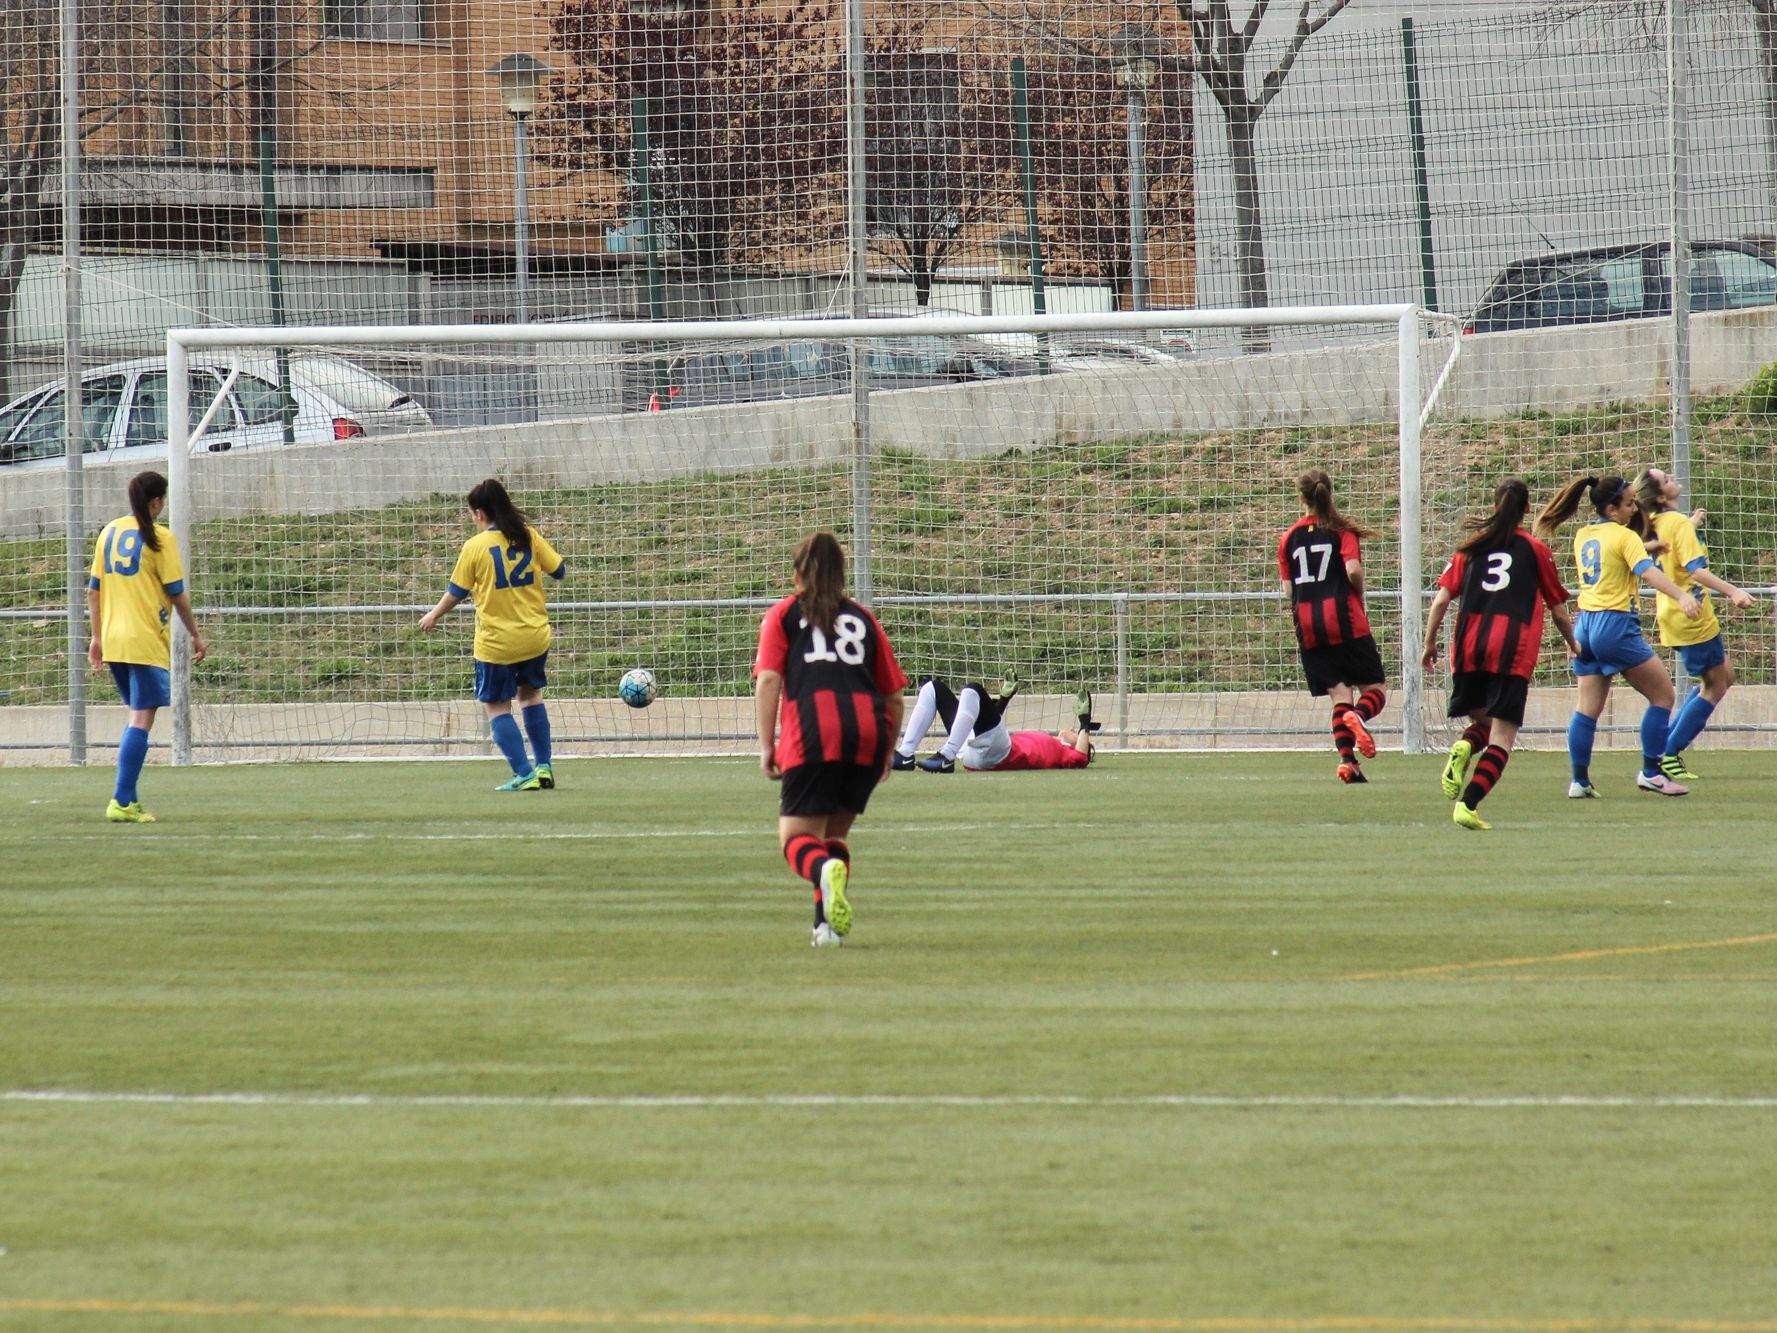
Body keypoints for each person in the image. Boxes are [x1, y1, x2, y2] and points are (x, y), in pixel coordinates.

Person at [754, 532, 907, 948]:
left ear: (797, 573)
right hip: (868, 735)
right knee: (833, 838)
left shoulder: (783, 615)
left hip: (815, 733)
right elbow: (893, 696)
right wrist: (887, 750)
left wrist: (767, 744)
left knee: (796, 840)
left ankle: (822, 873)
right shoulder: (863, 617)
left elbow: (769, 679)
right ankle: (826, 929)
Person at [1420, 478, 1578, 830]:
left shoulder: (1471, 548)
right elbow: (1558, 610)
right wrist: (1574, 645)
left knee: (1483, 725)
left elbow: (1441, 600)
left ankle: (1464, 747)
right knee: (1502, 739)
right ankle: (1468, 805)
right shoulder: (1535, 549)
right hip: (1511, 650)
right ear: (1525, 510)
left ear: (1494, 507)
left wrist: (1430, 643)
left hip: (1468, 648)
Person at [1535, 473, 1701, 797]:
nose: (1632, 508)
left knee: (1586, 708)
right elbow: (1648, 572)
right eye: (1627, 504)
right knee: (1663, 696)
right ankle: (1652, 773)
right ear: (1612, 509)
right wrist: (1681, 596)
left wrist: (1648, 545)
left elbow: (1613, 559)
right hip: (1615, 624)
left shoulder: (1584, 534)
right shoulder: (1625, 536)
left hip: (1585, 625)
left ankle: (1579, 781)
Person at [419, 479, 565, 791]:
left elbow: (456, 592)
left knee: (497, 706)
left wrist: (433, 614)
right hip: (535, 636)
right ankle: (544, 767)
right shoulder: (528, 536)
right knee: (531, 696)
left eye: (472, 513)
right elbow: (560, 570)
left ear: (481, 513)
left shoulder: (475, 547)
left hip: (497, 643)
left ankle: (524, 773)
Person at [87, 470, 208, 823]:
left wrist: (96, 637)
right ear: (156, 502)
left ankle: (131, 800)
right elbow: (177, 594)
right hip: (144, 640)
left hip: (113, 639)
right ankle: (121, 801)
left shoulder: (109, 531)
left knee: (135, 716)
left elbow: (93, 591)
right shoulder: (160, 537)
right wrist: (196, 634)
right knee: (142, 718)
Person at [1630, 467, 1757, 783]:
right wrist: (1733, 591)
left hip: (1674, 615)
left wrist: (1691, 523)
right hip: (1692, 615)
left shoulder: (1658, 523)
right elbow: (1695, 570)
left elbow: (1672, 545)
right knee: (1716, 684)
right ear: (1661, 496)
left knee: (1722, 677)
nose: (1675, 479)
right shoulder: (1673, 523)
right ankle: (1669, 753)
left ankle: (1667, 747)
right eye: (1667, 480)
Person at [1278, 469, 1387, 783]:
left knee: (1339, 694)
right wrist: (1359, 591)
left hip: (1309, 627)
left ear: (1302, 498)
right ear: (1330, 494)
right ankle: (1359, 716)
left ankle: (1348, 763)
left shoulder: (1288, 538)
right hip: (1345, 621)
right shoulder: (1341, 531)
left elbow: (1288, 591)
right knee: (1375, 688)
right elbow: (1353, 571)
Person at [891, 675, 1097, 773]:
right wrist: (1004, 699)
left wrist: (1084, 723)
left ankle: (945, 757)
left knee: (973, 691)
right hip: (978, 749)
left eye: (1074, 733)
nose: (1069, 731)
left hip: (999, 755)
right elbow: (987, 726)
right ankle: (905, 754)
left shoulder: (1066, 754)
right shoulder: (1051, 743)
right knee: (932, 688)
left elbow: (1081, 758)